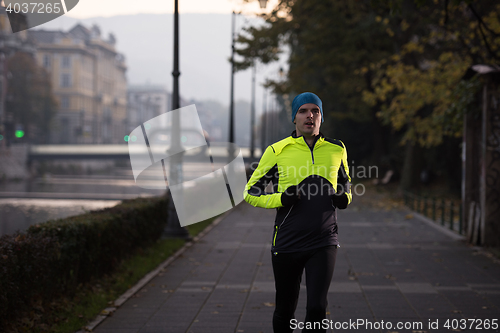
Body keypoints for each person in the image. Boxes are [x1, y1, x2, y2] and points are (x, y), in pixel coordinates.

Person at [244, 92, 352, 333]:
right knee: (285, 309)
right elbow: (250, 192)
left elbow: (345, 182)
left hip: (324, 240)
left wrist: (344, 198)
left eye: (315, 111)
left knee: (316, 308)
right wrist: (281, 198)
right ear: (294, 118)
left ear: (321, 117)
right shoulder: (277, 151)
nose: (309, 115)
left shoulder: (337, 148)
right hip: (287, 241)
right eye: (303, 111)